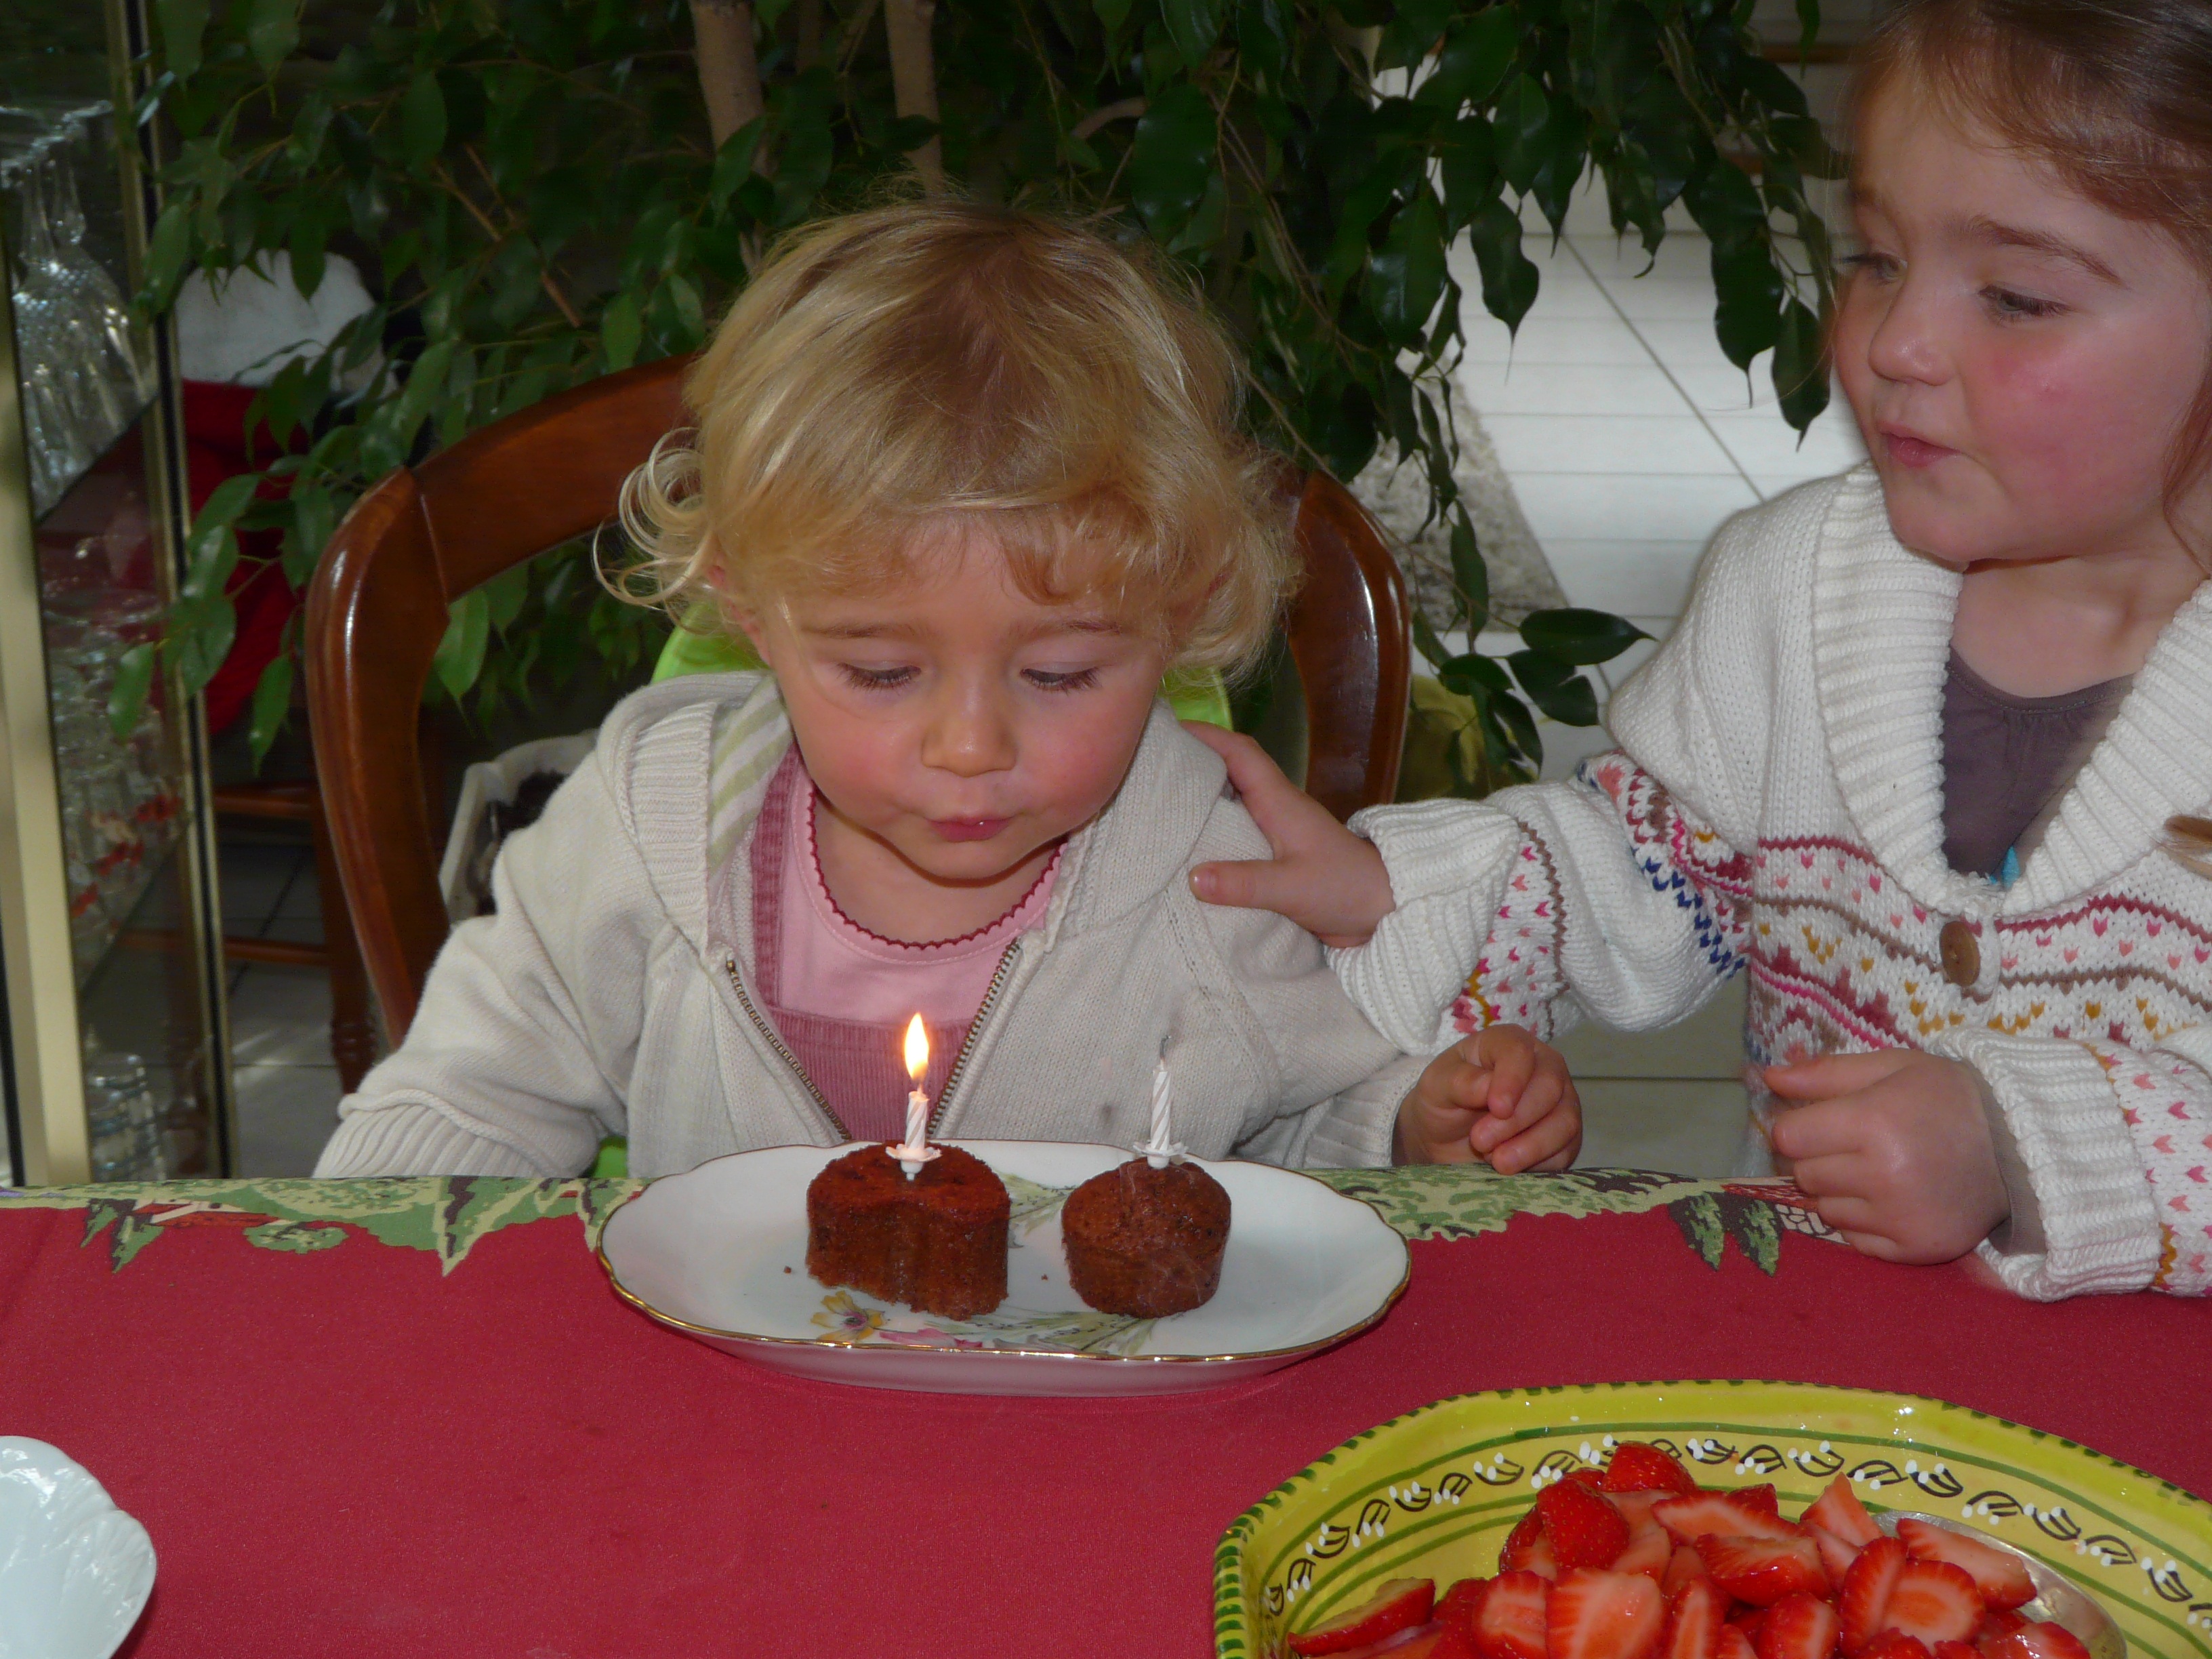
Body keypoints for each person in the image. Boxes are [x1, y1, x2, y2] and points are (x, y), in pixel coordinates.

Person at [1188, 0, 2212, 1298]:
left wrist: (2026, 1150)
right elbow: (1655, 871)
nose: (1896, 344)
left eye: (2015, 297)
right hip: (1823, 1388)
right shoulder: (1794, 589)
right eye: (1880, 258)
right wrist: (1410, 897)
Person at [314, 201, 1576, 1181]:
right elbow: (465, 1101)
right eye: (878, 670)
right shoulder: (650, 823)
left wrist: (1415, 1126)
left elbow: (1298, 1123)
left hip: (1081, 1436)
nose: (971, 746)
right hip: (719, 1442)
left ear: (1181, 615)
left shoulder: (1210, 868)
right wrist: (367, 1275)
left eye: (1062, 671)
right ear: (752, 614)